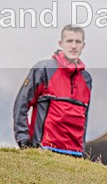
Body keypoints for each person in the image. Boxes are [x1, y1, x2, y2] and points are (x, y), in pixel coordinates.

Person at [13, 25, 92, 157]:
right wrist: (23, 140)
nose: (73, 46)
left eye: (78, 42)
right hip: (44, 150)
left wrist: (82, 149)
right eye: (69, 41)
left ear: (83, 46)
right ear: (61, 43)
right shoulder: (43, 69)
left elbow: (85, 117)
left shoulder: (87, 79)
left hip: (75, 155)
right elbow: (21, 104)